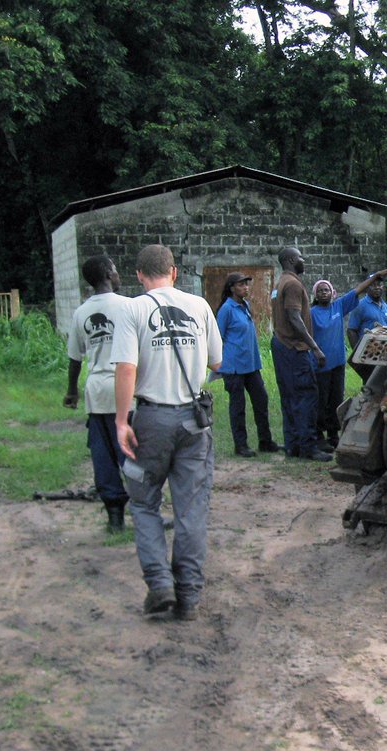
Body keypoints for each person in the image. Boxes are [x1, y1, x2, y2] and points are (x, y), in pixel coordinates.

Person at [113, 244, 222, 621]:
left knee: (144, 503)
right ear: (174, 272)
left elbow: (126, 368)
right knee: (191, 510)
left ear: (140, 276)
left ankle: (160, 585)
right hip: (194, 422)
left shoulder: (133, 309)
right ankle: (189, 596)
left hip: (151, 422)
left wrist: (121, 421)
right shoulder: (200, 306)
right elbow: (217, 360)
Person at [64, 256, 129, 533]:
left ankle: (115, 518)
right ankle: (146, 513)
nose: (117, 273)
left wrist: (72, 392)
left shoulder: (81, 313)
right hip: (126, 392)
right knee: (133, 456)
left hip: (96, 393)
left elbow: (75, 359)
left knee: (103, 456)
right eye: (114, 269)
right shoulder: (129, 306)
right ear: (106, 274)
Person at [310, 269, 387, 450]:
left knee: (336, 400)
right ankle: (318, 436)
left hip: (337, 363)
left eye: (327, 290)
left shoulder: (338, 306)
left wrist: (375, 276)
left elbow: (356, 290)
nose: (324, 293)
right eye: (320, 290)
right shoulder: (311, 313)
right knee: (320, 401)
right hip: (320, 365)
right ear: (315, 294)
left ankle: (333, 434)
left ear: (333, 293)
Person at [270, 247, 330, 461]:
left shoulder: (279, 283)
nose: (303, 261)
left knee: (289, 397)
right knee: (306, 396)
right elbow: (294, 318)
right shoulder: (293, 284)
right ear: (290, 260)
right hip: (294, 349)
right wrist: (315, 347)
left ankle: (292, 445)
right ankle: (308, 447)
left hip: (280, 345)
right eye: (300, 257)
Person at [216, 272, 281, 457]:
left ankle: (265, 441)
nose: (246, 287)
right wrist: (220, 363)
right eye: (241, 285)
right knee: (238, 407)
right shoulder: (226, 309)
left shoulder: (245, 305)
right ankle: (241, 445)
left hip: (251, 365)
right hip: (234, 367)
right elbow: (217, 337)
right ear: (232, 288)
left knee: (261, 400)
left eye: (246, 284)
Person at [346, 272, 387, 382]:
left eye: (380, 284)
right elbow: (351, 330)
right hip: (368, 355)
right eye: (373, 285)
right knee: (370, 384)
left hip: (383, 354)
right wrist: (358, 353)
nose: (377, 287)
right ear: (367, 287)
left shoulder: (385, 306)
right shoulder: (360, 305)